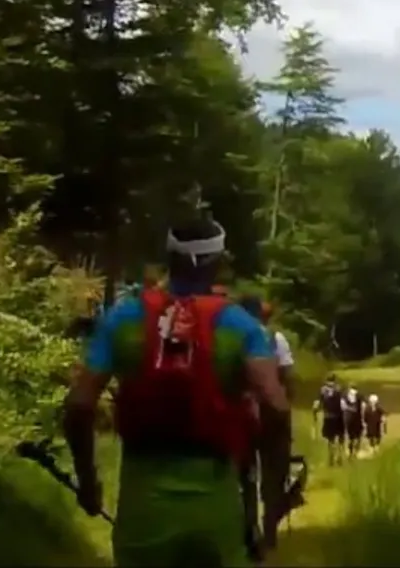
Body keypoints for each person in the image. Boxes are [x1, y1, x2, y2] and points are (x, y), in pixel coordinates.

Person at [63, 220, 292, 568]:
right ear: (219, 261)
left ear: (168, 258)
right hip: (216, 516)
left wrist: (88, 483)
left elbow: (80, 404)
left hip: (143, 513)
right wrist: (271, 504)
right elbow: (276, 406)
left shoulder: (123, 318)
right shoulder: (241, 326)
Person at [232, 296, 296, 562]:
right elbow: (288, 375)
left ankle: (249, 530)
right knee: (274, 473)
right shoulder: (274, 339)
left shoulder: (230, 338)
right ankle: (269, 530)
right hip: (272, 412)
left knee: (245, 476)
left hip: (241, 412)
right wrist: (286, 404)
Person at [313, 374, 346, 466]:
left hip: (328, 417)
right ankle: (339, 456)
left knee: (330, 439)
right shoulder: (339, 389)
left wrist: (315, 413)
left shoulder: (322, 391)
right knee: (340, 438)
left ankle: (331, 457)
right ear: (334, 381)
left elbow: (317, 404)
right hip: (338, 416)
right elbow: (343, 404)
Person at [343, 385, 364, 456]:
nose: (354, 392)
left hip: (358, 420)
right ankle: (350, 450)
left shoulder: (359, 397)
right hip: (349, 420)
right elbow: (343, 407)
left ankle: (356, 450)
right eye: (352, 390)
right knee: (350, 437)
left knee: (359, 436)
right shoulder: (345, 398)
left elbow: (363, 406)